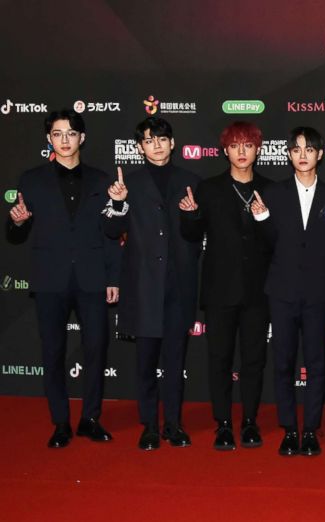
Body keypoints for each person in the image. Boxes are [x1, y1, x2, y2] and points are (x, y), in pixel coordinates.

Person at [6, 109, 121, 448]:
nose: (65, 140)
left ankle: (90, 419)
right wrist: (19, 221)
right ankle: (60, 423)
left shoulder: (102, 181)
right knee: (53, 352)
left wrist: (113, 276)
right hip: (50, 279)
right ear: (49, 139)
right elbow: (15, 235)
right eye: (57, 134)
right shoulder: (31, 179)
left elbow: (112, 234)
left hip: (92, 278)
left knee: (97, 350)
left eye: (71, 134)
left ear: (82, 138)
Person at [103, 117, 201, 450]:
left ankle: (174, 424)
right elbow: (111, 231)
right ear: (140, 147)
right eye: (148, 140)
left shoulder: (192, 182)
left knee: (175, 362)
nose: (156, 145)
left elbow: (198, 234)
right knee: (145, 362)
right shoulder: (127, 185)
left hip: (179, 286)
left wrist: (191, 215)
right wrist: (117, 203)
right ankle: (149, 426)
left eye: (161, 139)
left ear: (172, 143)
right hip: (143, 286)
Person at [251, 127, 325, 457]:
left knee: (317, 363)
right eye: (296, 149)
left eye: (309, 149)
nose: (303, 154)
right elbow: (265, 247)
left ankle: (311, 430)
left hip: (319, 295)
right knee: (283, 363)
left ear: (321, 154)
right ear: (288, 154)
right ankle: (289, 429)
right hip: (282, 292)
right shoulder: (273, 194)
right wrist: (262, 220)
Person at [179, 121, 272, 451]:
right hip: (220, 291)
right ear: (225, 150)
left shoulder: (272, 189)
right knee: (219, 358)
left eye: (248, 145)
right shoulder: (209, 189)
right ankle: (222, 424)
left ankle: (249, 422)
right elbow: (192, 236)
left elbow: (278, 241)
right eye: (235, 145)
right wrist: (189, 216)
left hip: (259, 291)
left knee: (253, 360)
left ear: (257, 148)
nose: (242, 151)